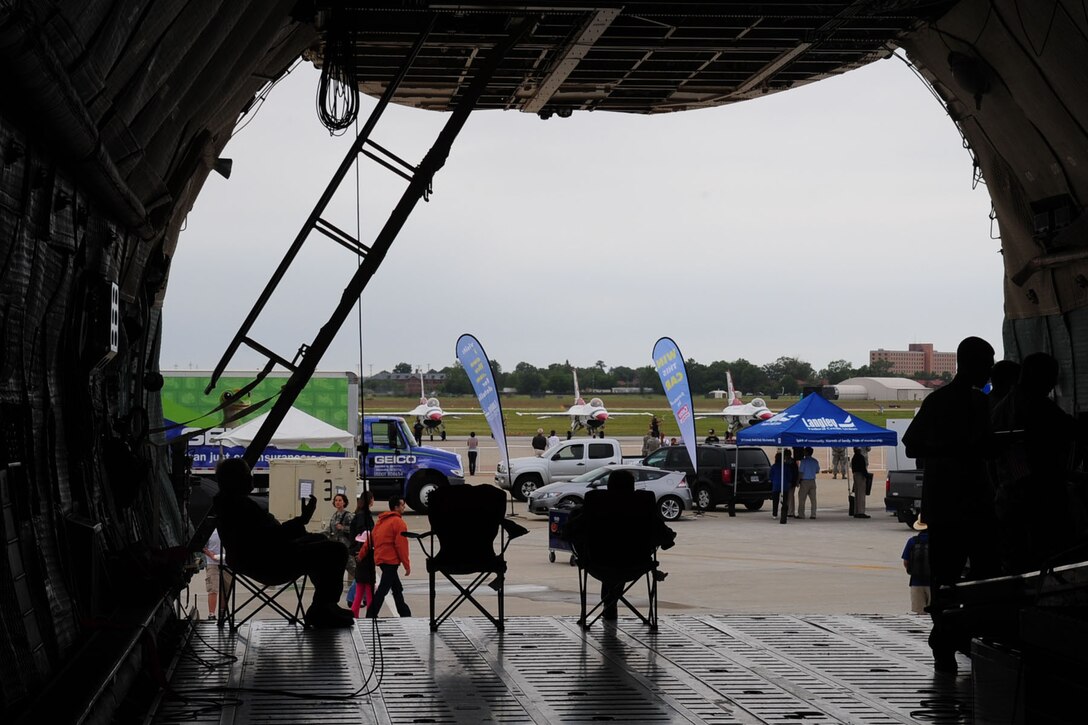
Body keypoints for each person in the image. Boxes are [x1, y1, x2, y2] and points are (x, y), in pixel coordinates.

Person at [902, 335, 1000, 673]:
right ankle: (952, 635)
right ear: (971, 364)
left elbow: (914, 444)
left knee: (949, 576)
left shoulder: (946, 400)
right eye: (986, 363)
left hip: (949, 504)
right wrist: (958, 449)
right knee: (974, 573)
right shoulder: (966, 402)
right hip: (966, 503)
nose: (989, 370)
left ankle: (947, 635)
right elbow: (913, 445)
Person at [213, 457, 352, 628]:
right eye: (247, 474)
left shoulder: (231, 505)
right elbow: (272, 536)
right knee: (338, 550)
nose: (251, 477)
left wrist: (300, 525)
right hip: (270, 563)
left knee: (321, 540)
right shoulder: (240, 508)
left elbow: (269, 536)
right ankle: (322, 608)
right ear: (236, 480)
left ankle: (325, 606)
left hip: (262, 557)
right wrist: (302, 520)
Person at [990, 352, 1081, 574]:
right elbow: (1072, 430)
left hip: (1008, 498)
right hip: (1038, 500)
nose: (1053, 383)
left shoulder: (1002, 408)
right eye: (1051, 377)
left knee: (1016, 565)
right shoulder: (1038, 406)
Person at [365, 496, 412, 618]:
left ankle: (404, 612)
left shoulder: (381, 521)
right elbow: (401, 545)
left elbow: (370, 539)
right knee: (384, 589)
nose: (404, 507)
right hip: (391, 560)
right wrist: (406, 565)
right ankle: (371, 613)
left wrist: (361, 554)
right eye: (402, 505)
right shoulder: (398, 522)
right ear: (396, 507)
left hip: (381, 559)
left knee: (396, 587)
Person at [351, 491, 377, 617]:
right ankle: (371, 614)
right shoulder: (364, 515)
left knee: (360, 588)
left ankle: (354, 613)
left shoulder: (359, 513)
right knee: (369, 588)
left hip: (359, 552)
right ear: (370, 500)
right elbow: (364, 533)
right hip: (365, 553)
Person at [902, 515, 931, 614]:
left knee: (920, 614)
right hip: (933, 583)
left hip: (916, 582)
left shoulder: (912, 541)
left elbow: (906, 562)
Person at [202, 529, 231, 620]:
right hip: (212, 563)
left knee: (226, 589)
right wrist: (210, 554)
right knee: (213, 588)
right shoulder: (210, 530)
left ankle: (222, 613)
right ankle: (211, 614)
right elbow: (202, 546)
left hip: (228, 563)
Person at [769, 451, 795, 521]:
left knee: (775, 501)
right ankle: (784, 513)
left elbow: (770, 476)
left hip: (776, 485)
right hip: (785, 485)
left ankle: (774, 514)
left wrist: (773, 481)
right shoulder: (786, 466)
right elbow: (789, 476)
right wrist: (788, 481)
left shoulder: (773, 466)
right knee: (785, 501)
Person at [796, 447, 819, 519]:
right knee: (813, 499)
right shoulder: (815, 461)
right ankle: (813, 514)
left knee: (802, 499)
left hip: (805, 481)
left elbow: (801, 472)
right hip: (812, 481)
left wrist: (798, 481)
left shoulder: (803, 461)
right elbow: (817, 471)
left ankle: (801, 514)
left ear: (806, 452)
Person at [850, 447, 870, 518]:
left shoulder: (854, 457)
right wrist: (867, 476)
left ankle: (856, 511)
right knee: (861, 494)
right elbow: (863, 468)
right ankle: (861, 512)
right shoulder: (860, 457)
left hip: (855, 474)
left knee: (857, 493)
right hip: (860, 475)